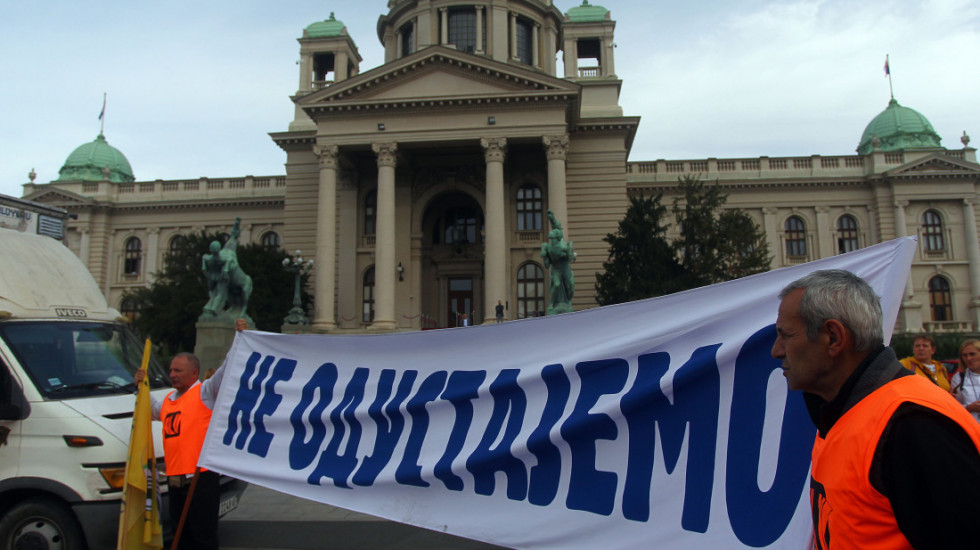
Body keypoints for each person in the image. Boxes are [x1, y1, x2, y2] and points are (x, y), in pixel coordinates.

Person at [771, 269, 980, 549]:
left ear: (833, 337)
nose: (776, 350)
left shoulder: (915, 425)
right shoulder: (840, 413)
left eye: (786, 335)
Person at [135, 350, 230, 550]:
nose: (172, 375)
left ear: (194, 373)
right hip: (176, 480)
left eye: (178, 370)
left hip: (200, 479)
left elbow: (225, 371)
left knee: (202, 536)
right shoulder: (170, 399)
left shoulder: (205, 392)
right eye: (171, 370)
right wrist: (142, 387)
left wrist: (239, 338)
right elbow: (152, 410)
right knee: (181, 535)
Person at [951, 339, 980, 423]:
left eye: (972, 354)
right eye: (965, 355)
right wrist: (969, 408)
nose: (969, 358)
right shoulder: (959, 378)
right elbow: (953, 407)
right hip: (970, 426)